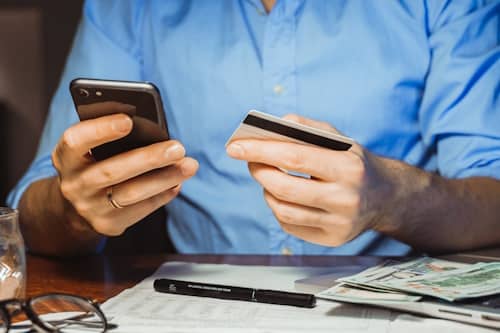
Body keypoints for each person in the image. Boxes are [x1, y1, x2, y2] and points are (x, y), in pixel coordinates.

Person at [8, 0, 500, 257]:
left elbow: (493, 198)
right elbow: (27, 215)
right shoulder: (131, 6)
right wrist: (75, 209)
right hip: (194, 309)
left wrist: (391, 197)